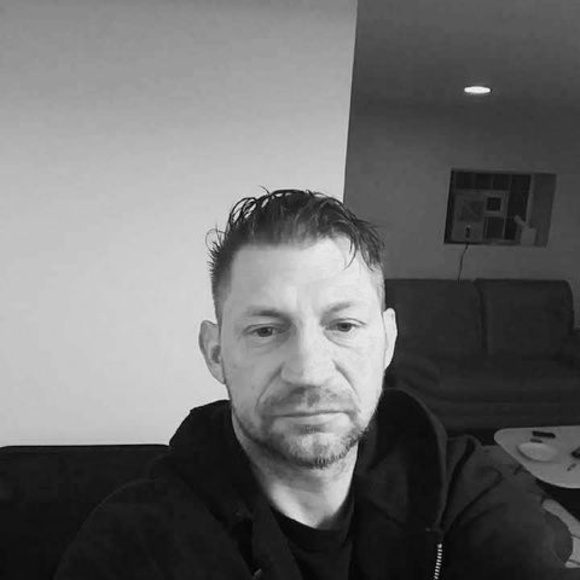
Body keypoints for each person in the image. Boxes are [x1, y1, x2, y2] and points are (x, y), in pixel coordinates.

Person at [56, 189, 580, 579]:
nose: (308, 371)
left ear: (387, 342)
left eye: (343, 326)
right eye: (266, 330)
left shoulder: (460, 488)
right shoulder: (137, 543)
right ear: (215, 353)